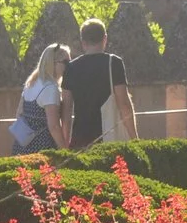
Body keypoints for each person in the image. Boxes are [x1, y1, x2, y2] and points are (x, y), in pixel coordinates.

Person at [59, 18, 137, 147]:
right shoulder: (114, 63)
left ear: (83, 42)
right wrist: (134, 138)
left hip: (80, 138)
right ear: (105, 38)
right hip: (108, 136)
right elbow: (124, 104)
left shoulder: (71, 68)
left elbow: (66, 110)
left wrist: (65, 143)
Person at [15, 44, 69, 153]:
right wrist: (65, 151)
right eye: (66, 62)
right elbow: (53, 126)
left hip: (22, 146)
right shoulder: (50, 88)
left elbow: (19, 114)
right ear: (53, 63)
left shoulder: (31, 83)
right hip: (42, 148)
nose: (69, 66)